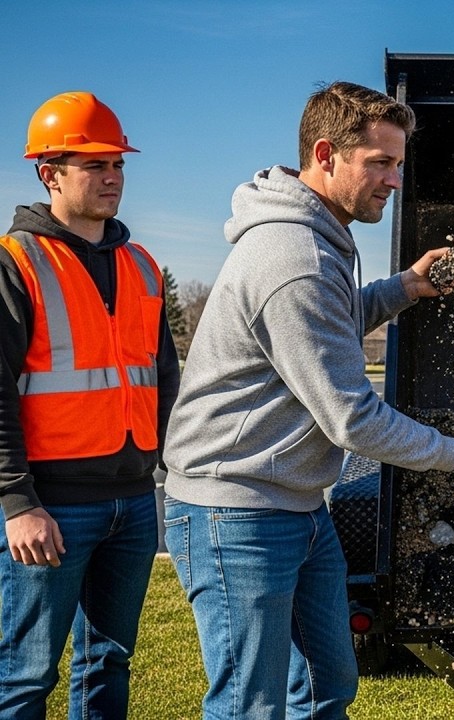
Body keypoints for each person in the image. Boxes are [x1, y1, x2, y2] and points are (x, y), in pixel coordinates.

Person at [162, 81, 454, 719]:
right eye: (379, 163)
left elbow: (326, 325)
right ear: (325, 154)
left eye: (398, 164)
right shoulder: (293, 255)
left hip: (296, 508)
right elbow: (351, 415)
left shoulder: (322, 238)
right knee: (251, 704)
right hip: (236, 513)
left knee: (328, 683)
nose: (394, 180)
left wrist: (403, 287)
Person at [0, 92, 180, 718]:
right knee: (25, 675)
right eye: (94, 165)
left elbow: (163, 380)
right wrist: (18, 502)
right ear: (49, 174)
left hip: (132, 501)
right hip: (50, 506)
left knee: (108, 660)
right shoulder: (15, 261)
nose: (112, 178)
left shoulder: (142, 265)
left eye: (119, 165)